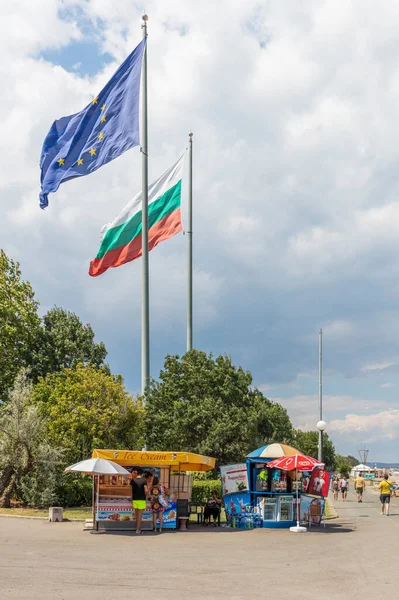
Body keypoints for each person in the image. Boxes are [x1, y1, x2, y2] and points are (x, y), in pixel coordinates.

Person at [130, 468, 148, 534]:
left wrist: (131, 499)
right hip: (142, 499)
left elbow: (130, 491)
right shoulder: (144, 481)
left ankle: (138, 528)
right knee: (140, 515)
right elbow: (146, 490)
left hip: (135, 499)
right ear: (142, 474)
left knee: (137, 514)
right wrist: (147, 494)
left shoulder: (132, 480)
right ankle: (138, 530)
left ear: (137, 473)